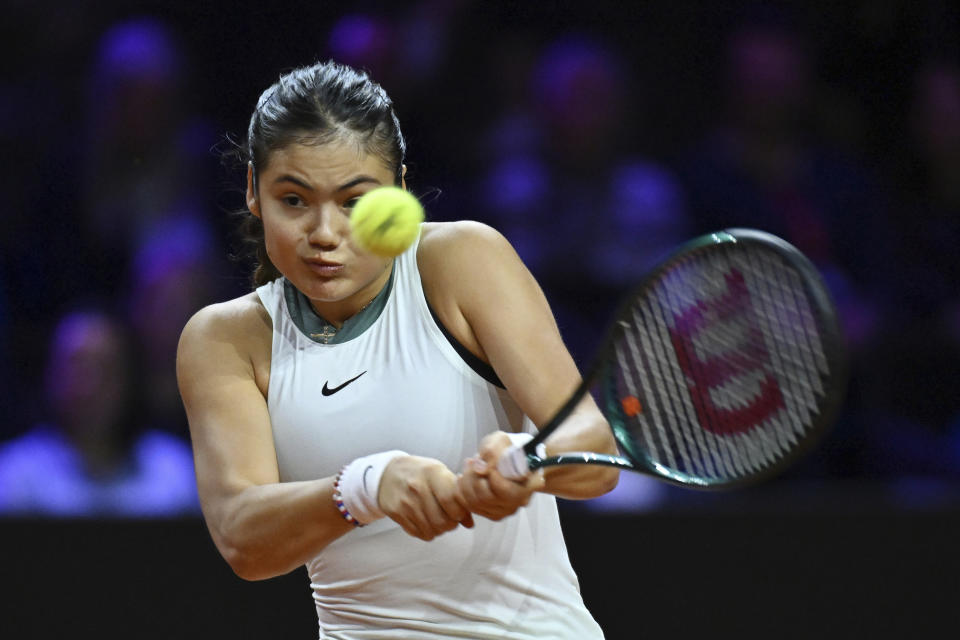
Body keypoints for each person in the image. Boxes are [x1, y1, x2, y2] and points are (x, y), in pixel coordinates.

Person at [176, 60, 619, 638]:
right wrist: (364, 485)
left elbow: (594, 448)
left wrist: (526, 460)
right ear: (253, 194)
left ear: (400, 192)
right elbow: (243, 538)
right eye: (293, 200)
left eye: (355, 203)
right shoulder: (224, 340)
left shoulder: (462, 260)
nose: (325, 232)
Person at [0, 309, 199, 516]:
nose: (90, 385)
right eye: (76, 367)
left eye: (105, 369)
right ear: (49, 374)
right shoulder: (14, 474)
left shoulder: (173, 470)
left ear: (130, 378)